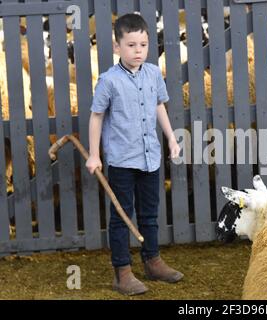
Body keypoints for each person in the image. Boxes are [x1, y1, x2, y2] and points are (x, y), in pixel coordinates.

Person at [86, 13, 183, 296]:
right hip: (122, 161)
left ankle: (152, 261)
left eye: (143, 44)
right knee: (121, 216)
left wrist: (171, 138)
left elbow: (159, 107)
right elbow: (96, 117)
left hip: (149, 157)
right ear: (117, 47)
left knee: (150, 214)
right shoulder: (108, 81)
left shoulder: (153, 73)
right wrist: (94, 154)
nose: (138, 50)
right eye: (131, 45)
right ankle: (123, 272)